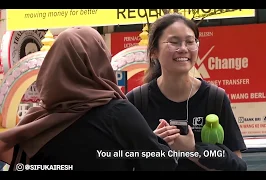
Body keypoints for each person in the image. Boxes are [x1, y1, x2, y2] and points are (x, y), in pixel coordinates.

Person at [0, 27, 177, 171]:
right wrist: (150, 141)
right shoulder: (117, 114)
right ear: (98, 65)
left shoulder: (37, 121)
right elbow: (163, 163)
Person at [126, 13, 247, 171]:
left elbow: (237, 166)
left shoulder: (215, 98)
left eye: (190, 42)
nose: (183, 49)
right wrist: (151, 144)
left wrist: (193, 151)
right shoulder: (136, 101)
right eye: (174, 42)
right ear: (154, 51)